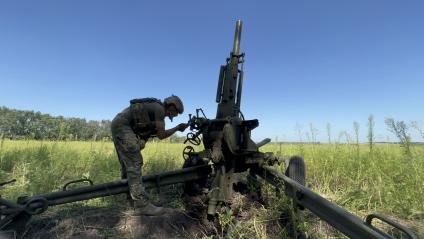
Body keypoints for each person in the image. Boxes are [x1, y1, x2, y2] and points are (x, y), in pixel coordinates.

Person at [111, 95, 188, 216]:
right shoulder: (159, 109)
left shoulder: (155, 109)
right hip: (123, 126)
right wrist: (178, 128)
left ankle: (131, 201)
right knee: (134, 162)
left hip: (119, 124)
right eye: (175, 112)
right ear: (171, 105)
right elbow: (161, 135)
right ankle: (142, 205)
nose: (174, 115)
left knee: (128, 165)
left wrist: (140, 143)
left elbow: (145, 129)